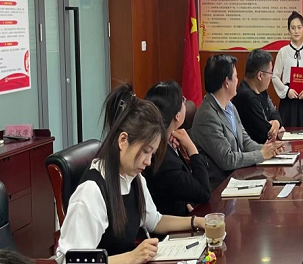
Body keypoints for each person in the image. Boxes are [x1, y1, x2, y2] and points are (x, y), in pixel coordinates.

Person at [57, 85, 205, 264]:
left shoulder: (133, 177)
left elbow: (155, 221)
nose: (148, 161)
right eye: (145, 151)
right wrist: (132, 257)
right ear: (123, 140)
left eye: (152, 154)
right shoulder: (91, 192)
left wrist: (197, 222)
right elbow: (73, 261)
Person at [191, 55, 285, 190]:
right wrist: (261, 154)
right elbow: (227, 159)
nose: (238, 80)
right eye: (235, 76)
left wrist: (270, 149)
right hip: (220, 187)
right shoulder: (207, 116)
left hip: (238, 177)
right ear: (226, 82)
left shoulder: (230, 106)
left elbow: (245, 141)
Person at [143, 81, 211, 216]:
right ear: (177, 116)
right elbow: (204, 194)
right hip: (169, 224)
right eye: (183, 101)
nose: (185, 103)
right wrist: (192, 149)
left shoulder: (165, 142)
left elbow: (177, 186)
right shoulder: (163, 157)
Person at [271, 11, 303, 127]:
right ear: (289, 30)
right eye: (293, 28)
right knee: (287, 133)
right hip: (288, 100)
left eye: (299, 27)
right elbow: (275, 76)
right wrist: (287, 91)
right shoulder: (283, 51)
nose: (296, 31)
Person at [232, 49, 285, 143]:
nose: (271, 76)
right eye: (270, 72)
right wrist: (277, 129)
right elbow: (265, 133)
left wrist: (276, 122)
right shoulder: (246, 96)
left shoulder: (261, 91)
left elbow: (274, 112)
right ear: (260, 75)